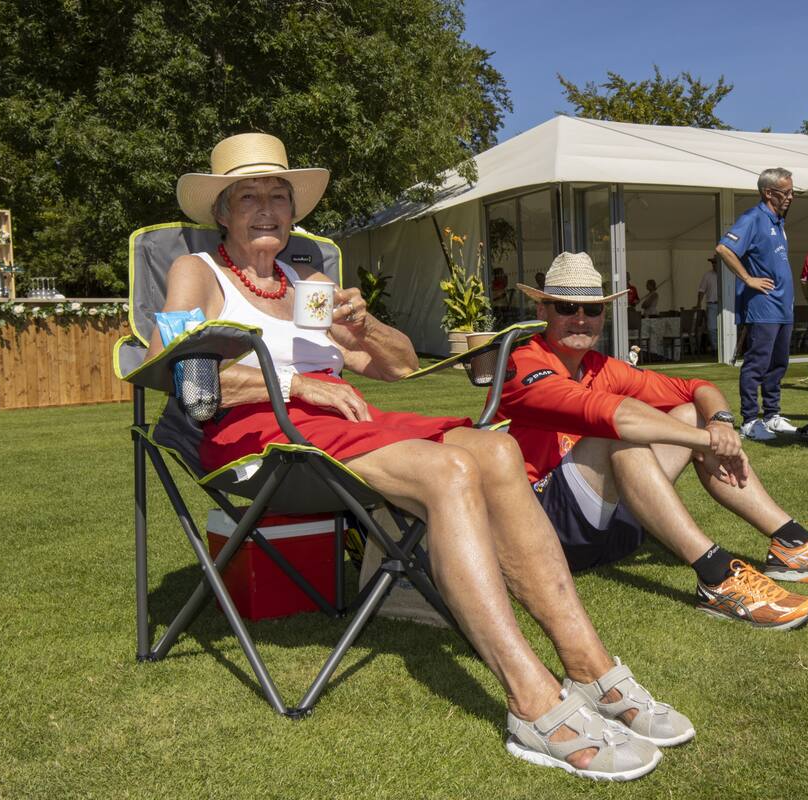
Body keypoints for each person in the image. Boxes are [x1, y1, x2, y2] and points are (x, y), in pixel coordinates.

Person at [147, 133, 686, 780]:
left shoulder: (310, 279)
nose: (266, 208)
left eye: (278, 195)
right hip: (264, 436)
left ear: (294, 211)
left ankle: (589, 666)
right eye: (248, 196)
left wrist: (364, 325)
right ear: (222, 213)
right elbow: (185, 378)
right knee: (451, 470)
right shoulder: (195, 273)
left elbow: (399, 368)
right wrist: (293, 382)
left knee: (495, 450)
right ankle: (531, 699)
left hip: (345, 420)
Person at [495, 251, 808, 632]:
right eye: (566, 307)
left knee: (692, 412)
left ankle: (792, 544)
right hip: (546, 532)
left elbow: (697, 386)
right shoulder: (522, 365)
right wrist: (706, 442)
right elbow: (615, 417)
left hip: (611, 530)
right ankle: (716, 577)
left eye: (592, 309)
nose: (580, 319)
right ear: (543, 311)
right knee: (618, 436)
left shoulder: (602, 367)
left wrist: (719, 423)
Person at [715, 167, 798, 440]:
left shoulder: (777, 221)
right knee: (757, 363)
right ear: (768, 193)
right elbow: (724, 249)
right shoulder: (753, 218)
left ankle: (772, 415)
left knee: (779, 363)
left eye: (792, 191)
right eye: (786, 192)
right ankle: (750, 420)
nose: (791, 197)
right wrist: (748, 278)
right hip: (764, 306)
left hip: (783, 306)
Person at [695, 256, 719, 352]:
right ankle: (716, 348)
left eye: (715, 263)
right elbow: (701, 290)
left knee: (725, 328)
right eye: (713, 263)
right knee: (712, 328)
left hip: (724, 306)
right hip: (712, 304)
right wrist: (698, 303)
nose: (713, 265)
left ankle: (724, 348)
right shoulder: (707, 275)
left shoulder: (727, 274)